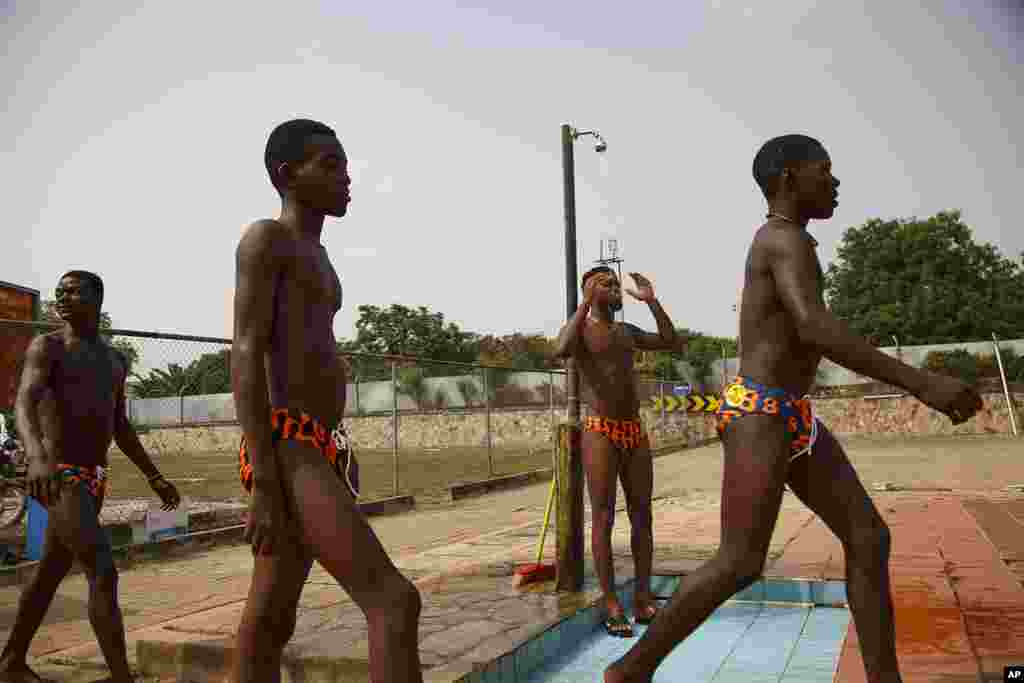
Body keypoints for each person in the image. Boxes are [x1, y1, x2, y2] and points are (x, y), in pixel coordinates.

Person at [604, 134, 984, 683]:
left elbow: (806, 328)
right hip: (760, 413)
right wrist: (920, 381)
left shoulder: (792, 241)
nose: (835, 182)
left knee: (868, 538)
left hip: (792, 415)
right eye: (823, 171)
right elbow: (814, 324)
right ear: (787, 178)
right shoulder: (781, 240)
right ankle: (630, 671)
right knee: (738, 563)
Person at [230, 119, 422, 683]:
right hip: (287, 446)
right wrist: (265, 479)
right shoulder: (267, 239)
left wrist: (336, 446)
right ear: (287, 175)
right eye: (331, 165)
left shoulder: (319, 255)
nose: (347, 177)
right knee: (394, 602)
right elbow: (244, 353)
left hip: (319, 447)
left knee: (270, 618)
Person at [0, 270, 181, 683]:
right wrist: (36, 456)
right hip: (59, 477)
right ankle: (121, 677)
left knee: (49, 571)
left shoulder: (114, 360)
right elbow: (23, 406)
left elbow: (120, 425)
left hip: (95, 477)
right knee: (102, 569)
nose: (62, 297)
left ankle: (11, 662)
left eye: (73, 291)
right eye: (59, 291)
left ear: (97, 299)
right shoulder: (47, 347)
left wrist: (155, 477)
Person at [554, 267, 684, 637]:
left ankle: (643, 596)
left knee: (643, 514)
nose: (614, 288)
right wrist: (584, 303)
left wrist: (652, 301)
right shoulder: (581, 331)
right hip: (600, 431)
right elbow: (561, 349)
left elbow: (671, 341)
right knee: (605, 516)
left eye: (614, 284)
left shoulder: (627, 332)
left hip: (634, 430)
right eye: (605, 284)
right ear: (590, 292)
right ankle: (611, 601)